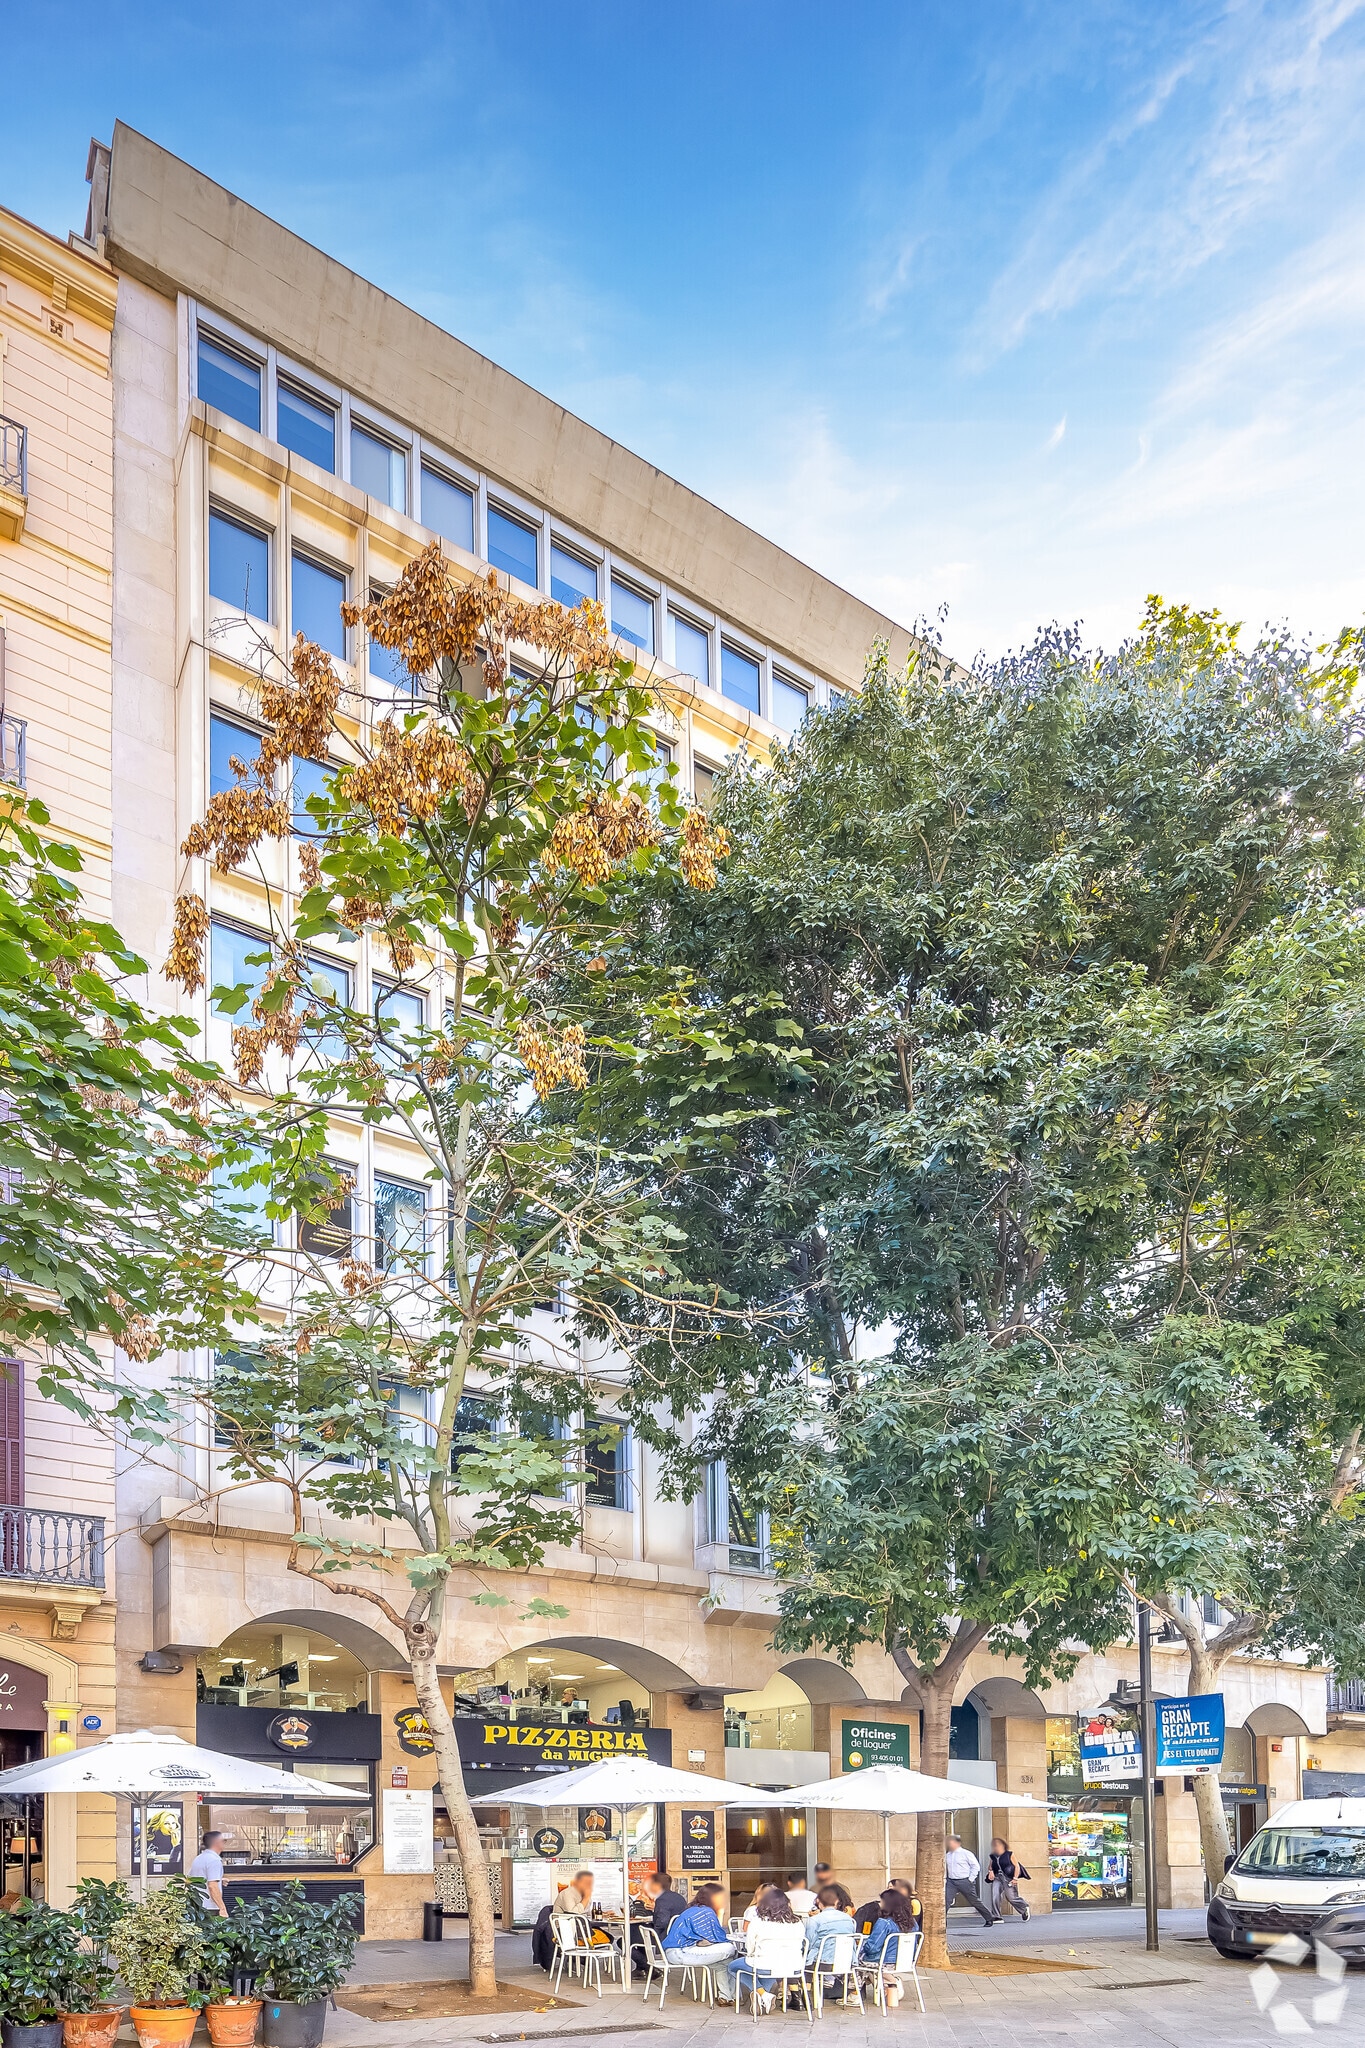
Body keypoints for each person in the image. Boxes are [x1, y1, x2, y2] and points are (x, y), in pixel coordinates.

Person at [733, 1887, 807, 2013]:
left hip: (764, 1963)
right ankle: (762, 1998)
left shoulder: (757, 1922)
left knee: (733, 1967)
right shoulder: (798, 1923)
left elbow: (750, 1948)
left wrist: (752, 1955)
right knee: (773, 1969)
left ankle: (762, 1994)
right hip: (792, 1966)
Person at [660, 1881, 737, 1996]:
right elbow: (719, 1938)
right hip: (681, 1952)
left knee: (725, 1962)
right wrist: (720, 1913)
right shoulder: (706, 1912)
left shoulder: (693, 1909)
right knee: (731, 1949)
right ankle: (734, 1996)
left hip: (673, 1952)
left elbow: (705, 1939)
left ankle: (727, 1997)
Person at [860, 1889, 918, 2008]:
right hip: (905, 1962)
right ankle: (888, 1982)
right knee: (868, 1967)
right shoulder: (913, 1923)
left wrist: (862, 1946)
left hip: (883, 1962)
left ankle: (855, 1994)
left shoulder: (884, 1923)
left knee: (856, 1962)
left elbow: (872, 1948)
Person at [631, 1870, 686, 1974]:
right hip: (678, 1935)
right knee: (638, 1935)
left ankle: (649, 1968)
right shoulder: (679, 1897)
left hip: (665, 1936)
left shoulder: (662, 1899)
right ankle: (642, 1969)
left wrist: (653, 1931)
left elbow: (662, 1921)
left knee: (626, 1941)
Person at [945, 1836, 997, 1926]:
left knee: (974, 1901)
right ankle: (942, 1922)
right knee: (946, 1901)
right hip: (951, 1882)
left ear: (958, 1843)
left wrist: (970, 1879)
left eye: (952, 1842)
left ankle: (989, 1918)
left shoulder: (966, 1853)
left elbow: (975, 1866)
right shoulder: (948, 1855)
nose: (950, 1844)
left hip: (964, 1881)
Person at [802, 1884, 855, 1961]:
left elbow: (808, 1945)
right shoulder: (849, 1919)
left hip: (821, 1963)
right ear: (837, 1902)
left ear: (818, 1901)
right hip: (846, 1962)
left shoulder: (815, 1920)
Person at [986, 1838, 1031, 1921]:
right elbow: (990, 1866)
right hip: (997, 1877)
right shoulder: (993, 1856)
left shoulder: (1009, 1854)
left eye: (998, 1845)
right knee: (995, 1895)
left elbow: (1017, 1866)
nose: (996, 1847)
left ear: (1003, 1845)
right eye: (994, 1845)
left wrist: (1015, 1878)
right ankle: (997, 1916)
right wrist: (990, 1871)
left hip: (1008, 1878)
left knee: (1011, 1898)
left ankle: (1024, 1908)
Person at [188, 1830, 228, 1917]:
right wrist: (222, 1908)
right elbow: (212, 1886)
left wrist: (219, 1880)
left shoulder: (199, 1858)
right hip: (210, 1907)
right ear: (217, 1843)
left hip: (197, 1905)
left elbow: (191, 1879)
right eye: (223, 1840)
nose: (225, 1843)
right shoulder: (214, 1860)